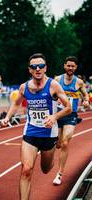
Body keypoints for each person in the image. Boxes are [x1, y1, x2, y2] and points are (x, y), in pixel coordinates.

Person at [1, 53, 72, 200]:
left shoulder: (53, 85)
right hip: (30, 133)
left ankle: (52, 156)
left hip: (49, 135)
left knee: (45, 169)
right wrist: (7, 117)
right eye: (34, 67)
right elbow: (16, 103)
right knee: (26, 170)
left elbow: (68, 107)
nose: (37, 69)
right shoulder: (24, 87)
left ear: (45, 68)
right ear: (30, 70)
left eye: (41, 66)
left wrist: (54, 117)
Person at [53, 56, 90, 185]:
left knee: (65, 142)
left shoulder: (79, 82)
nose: (70, 68)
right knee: (57, 143)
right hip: (58, 115)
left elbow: (85, 94)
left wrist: (85, 101)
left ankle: (59, 174)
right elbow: (51, 93)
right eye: (68, 65)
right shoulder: (57, 80)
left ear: (76, 67)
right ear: (64, 66)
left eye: (72, 66)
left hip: (71, 115)